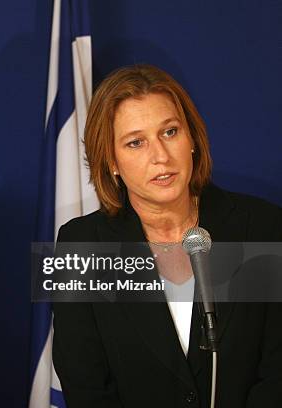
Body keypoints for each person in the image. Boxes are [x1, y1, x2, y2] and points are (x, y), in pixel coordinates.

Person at [52, 65, 282, 407]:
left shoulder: (265, 226)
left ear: (192, 139)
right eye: (135, 143)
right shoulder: (79, 245)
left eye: (170, 132)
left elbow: (277, 373)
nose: (160, 156)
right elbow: (84, 383)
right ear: (111, 161)